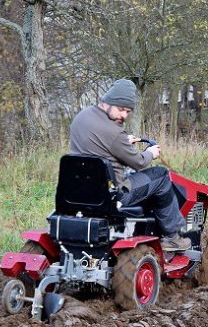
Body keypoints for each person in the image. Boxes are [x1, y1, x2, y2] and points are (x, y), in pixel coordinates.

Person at [69, 78, 191, 252]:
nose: (124, 116)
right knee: (161, 175)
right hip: (113, 195)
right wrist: (151, 153)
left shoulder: (81, 117)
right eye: (121, 109)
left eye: (127, 111)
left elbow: (98, 147)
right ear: (107, 102)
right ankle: (172, 237)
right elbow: (139, 163)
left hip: (80, 192)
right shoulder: (114, 132)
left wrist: (124, 144)